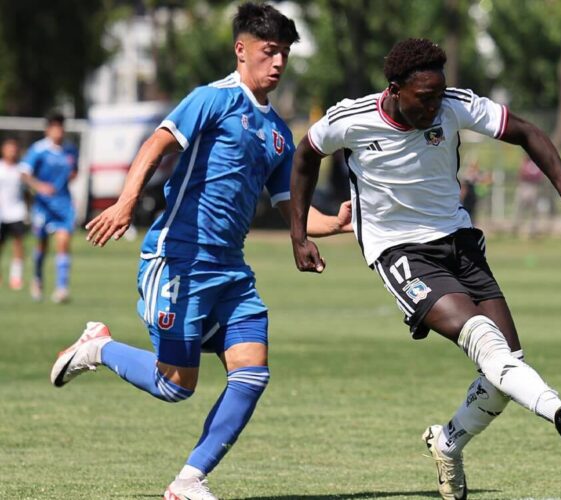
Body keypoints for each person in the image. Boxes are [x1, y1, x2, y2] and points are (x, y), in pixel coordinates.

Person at [290, 38, 561, 500]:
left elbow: (527, 132)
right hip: (398, 249)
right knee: (486, 343)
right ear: (395, 89)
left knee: (506, 369)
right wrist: (299, 235)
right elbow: (305, 157)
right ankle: (559, 411)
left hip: (459, 242)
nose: (434, 106)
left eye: (439, 95)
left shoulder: (454, 105)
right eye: (424, 98)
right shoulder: (352, 118)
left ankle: (446, 443)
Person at [49, 4, 351, 499]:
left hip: (231, 272)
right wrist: (125, 204)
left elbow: (290, 210)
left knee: (252, 373)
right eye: (268, 51)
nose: (277, 63)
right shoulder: (211, 100)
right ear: (242, 50)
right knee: (176, 386)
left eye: (284, 55)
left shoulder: (278, 133)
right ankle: (97, 347)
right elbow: (155, 144)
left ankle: (188, 481)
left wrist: (334, 224)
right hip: (179, 261)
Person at [19, 112, 78, 302]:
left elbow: (74, 171)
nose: (58, 131)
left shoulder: (70, 150)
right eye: (55, 127)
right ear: (48, 129)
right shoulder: (39, 150)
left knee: (63, 242)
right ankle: (37, 278)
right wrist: (40, 187)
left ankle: (62, 288)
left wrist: (68, 179)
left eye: (61, 127)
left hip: (63, 205)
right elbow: (25, 174)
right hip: (43, 207)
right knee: (42, 246)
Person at [0, 137, 28, 290]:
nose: (12, 152)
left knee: (18, 244)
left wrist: (28, 210)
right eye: (9, 148)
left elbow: (27, 193)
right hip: (2, 213)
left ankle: (16, 277)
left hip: (17, 212)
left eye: (14, 149)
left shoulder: (21, 170)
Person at [511, 157, 547, 237]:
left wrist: (531, 176)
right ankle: (515, 228)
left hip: (533, 187)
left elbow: (539, 176)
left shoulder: (537, 163)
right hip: (524, 186)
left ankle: (533, 230)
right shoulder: (525, 162)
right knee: (519, 209)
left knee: (534, 211)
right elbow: (521, 173)